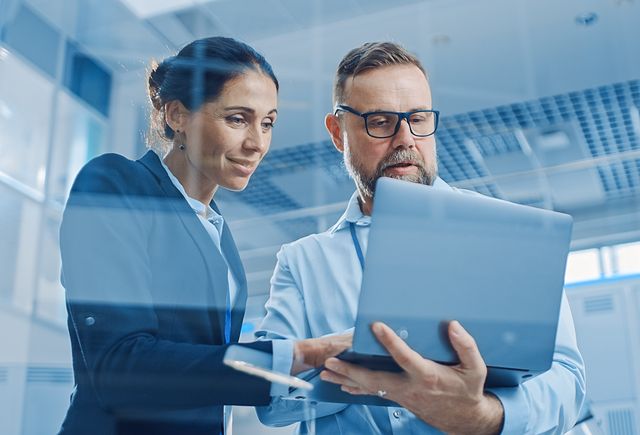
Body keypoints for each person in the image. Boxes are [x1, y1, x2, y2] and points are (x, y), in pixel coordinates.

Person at [256, 42, 586, 434]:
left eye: (418, 118)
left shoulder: (509, 237)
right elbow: (268, 399)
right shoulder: (303, 261)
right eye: (380, 121)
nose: (405, 138)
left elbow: (568, 382)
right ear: (338, 133)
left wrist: (483, 415)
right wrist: (367, 367)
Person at [57, 36, 349, 435]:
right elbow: (120, 366)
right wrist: (300, 354)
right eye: (237, 119)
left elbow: (208, 374)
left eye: (267, 123)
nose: (257, 143)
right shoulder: (117, 184)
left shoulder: (218, 232)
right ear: (177, 115)